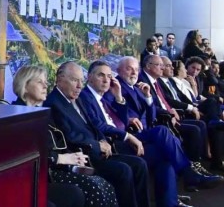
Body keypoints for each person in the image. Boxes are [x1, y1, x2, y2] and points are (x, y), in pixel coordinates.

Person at [82, 60, 219, 207]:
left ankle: (170, 202)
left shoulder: (116, 92)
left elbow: (149, 117)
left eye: (109, 76)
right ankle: (188, 173)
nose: (106, 79)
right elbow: (102, 125)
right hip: (117, 142)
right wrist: (128, 131)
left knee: (164, 157)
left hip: (132, 135)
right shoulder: (87, 96)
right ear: (89, 77)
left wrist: (131, 98)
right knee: (162, 131)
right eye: (101, 75)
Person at [45, 62, 150, 207]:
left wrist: (102, 140)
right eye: (75, 80)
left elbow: (94, 125)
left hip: (100, 151)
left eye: (81, 81)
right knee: (123, 170)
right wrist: (97, 145)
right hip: (85, 156)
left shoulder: (77, 98)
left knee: (139, 164)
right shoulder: (53, 103)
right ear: (60, 79)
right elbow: (70, 136)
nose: (79, 86)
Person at [12, 65, 115, 207]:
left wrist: (73, 158)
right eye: (39, 82)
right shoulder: (17, 115)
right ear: (25, 85)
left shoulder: (41, 112)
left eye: (45, 82)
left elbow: (59, 143)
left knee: (103, 184)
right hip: (39, 175)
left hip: (57, 167)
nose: (45, 86)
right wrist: (62, 158)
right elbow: (27, 154)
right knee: (91, 188)